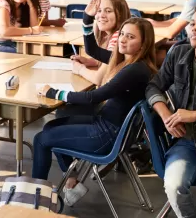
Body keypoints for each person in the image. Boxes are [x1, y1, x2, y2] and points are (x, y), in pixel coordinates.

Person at [33, 18, 157, 206]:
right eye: (122, 34)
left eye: (130, 37)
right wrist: (87, 20)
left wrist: (54, 92)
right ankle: (72, 182)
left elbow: (94, 97)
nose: (122, 40)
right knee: (51, 126)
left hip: (106, 135)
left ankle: (34, 200)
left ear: (143, 44)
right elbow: (93, 50)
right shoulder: (132, 64)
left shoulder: (135, 70)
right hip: (108, 127)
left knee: (41, 139)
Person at [146, 3, 196, 218]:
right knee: (174, 186)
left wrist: (194, 115)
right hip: (186, 142)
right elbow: (153, 86)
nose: (195, 28)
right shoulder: (179, 53)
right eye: (192, 23)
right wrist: (165, 115)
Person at [71, 0, 131, 85]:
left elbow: (98, 79)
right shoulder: (112, 35)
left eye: (108, 11)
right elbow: (110, 59)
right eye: (99, 10)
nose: (102, 15)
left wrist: (80, 69)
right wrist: (90, 61)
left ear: (120, 14)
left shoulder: (118, 37)